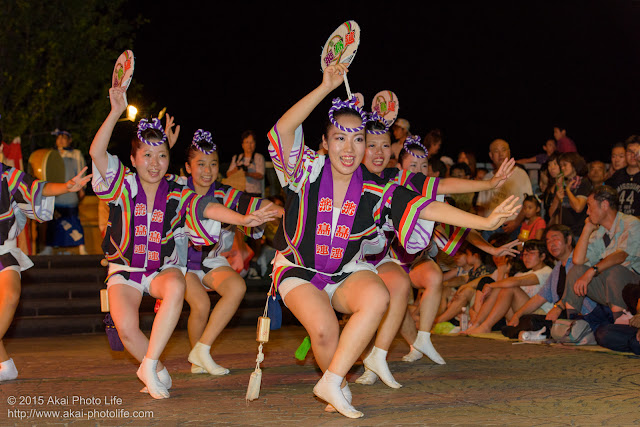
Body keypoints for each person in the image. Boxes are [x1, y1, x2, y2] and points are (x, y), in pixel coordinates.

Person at [267, 64, 520, 418]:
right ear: (324, 143)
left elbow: (426, 206)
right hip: (298, 269)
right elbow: (283, 128)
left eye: (358, 139)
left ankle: (335, 379)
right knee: (324, 334)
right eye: (340, 138)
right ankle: (335, 383)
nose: (349, 147)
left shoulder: (376, 189)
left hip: (344, 272)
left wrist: (486, 220)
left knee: (379, 293)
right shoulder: (307, 169)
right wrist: (326, 86)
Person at [90, 87, 278, 400]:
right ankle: (155, 367)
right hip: (124, 269)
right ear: (133, 158)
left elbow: (206, 207)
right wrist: (115, 112)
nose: (155, 162)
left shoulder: (176, 193)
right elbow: (97, 153)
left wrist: (245, 220)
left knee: (176, 286)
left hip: (160, 269)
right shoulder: (122, 184)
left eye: (162, 155)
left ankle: (153, 363)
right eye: (147, 155)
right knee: (126, 330)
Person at [180, 129, 280, 376]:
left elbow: (254, 204)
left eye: (213, 164)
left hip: (209, 262)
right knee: (201, 304)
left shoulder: (224, 192)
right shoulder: (177, 191)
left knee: (237, 287)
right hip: (179, 264)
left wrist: (287, 215)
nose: (207, 170)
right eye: (200, 164)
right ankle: (197, 358)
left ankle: (202, 350)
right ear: (187, 167)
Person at [0, 160, 91, 381]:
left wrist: (66, 186)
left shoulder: (5, 175)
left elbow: (35, 187)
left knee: (10, 295)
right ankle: (5, 364)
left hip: (3, 250)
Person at [503, 225, 597, 338]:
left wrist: (558, 308)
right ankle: (537, 332)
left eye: (555, 238)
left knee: (529, 322)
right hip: (559, 315)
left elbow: (573, 293)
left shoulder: (579, 262)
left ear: (569, 240)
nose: (551, 244)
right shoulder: (557, 268)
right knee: (523, 320)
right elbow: (540, 297)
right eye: (548, 241)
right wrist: (517, 314)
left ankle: (538, 332)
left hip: (581, 315)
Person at [562, 186, 640, 321]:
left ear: (604, 205)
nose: (587, 212)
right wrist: (586, 229)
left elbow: (621, 256)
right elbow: (578, 260)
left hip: (632, 286)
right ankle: (571, 323)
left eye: (590, 206)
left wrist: (592, 271)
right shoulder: (599, 232)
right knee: (577, 271)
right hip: (609, 286)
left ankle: (620, 321)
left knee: (614, 270)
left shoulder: (631, 223)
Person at [464, 239, 553, 334]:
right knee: (501, 288)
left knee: (510, 288)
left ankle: (486, 326)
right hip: (521, 314)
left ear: (543, 256)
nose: (526, 258)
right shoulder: (525, 273)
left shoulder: (546, 272)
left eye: (530, 254)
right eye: (524, 254)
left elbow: (516, 282)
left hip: (540, 315)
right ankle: (478, 324)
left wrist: (491, 285)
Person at [40, 128, 88, 255]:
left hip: (70, 195)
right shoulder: (50, 154)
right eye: (58, 138)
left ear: (69, 140)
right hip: (55, 195)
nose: (60, 140)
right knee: (53, 223)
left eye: (64, 137)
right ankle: (49, 247)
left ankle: (81, 246)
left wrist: (82, 189)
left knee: (73, 221)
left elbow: (81, 171)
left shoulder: (76, 154)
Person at [476, 139, 533, 238]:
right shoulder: (487, 178)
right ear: (491, 155)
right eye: (496, 151)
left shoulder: (520, 174)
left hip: (512, 227)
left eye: (503, 150)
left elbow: (529, 202)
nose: (500, 154)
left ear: (509, 152)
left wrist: (516, 222)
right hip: (489, 228)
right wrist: (480, 228)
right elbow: (481, 206)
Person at [548, 152, 591, 241]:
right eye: (561, 166)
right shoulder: (561, 184)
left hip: (578, 233)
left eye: (565, 165)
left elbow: (578, 207)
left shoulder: (583, 183)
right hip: (563, 234)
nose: (562, 168)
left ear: (574, 164)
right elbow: (551, 214)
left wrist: (568, 190)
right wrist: (556, 198)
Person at [605, 135, 640, 217]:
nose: (633, 155)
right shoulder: (616, 176)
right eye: (630, 151)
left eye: (636, 152)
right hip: (619, 224)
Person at [226, 130, 266, 197]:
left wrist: (247, 174)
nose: (249, 145)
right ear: (242, 144)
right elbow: (228, 174)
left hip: (254, 193)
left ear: (255, 144)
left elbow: (261, 175)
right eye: (247, 142)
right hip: (238, 193)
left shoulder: (258, 157)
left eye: (251, 142)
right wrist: (236, 171)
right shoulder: (237, 158)